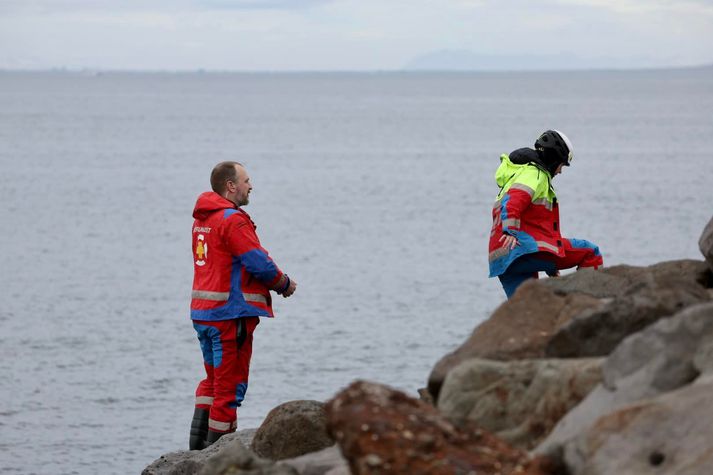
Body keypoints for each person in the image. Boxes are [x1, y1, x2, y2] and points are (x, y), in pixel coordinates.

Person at [188, 161, 297, 450]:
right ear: (231, 186)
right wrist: (283, 283)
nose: (251, 186)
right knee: (229, 388)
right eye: (247, 180)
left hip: (203, 313)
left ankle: (196, 453)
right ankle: (217, 461)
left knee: (211, 384)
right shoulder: (232, 220)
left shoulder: (202, 219)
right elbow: (257, 261)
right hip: (229, 315)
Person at [488, 130, 603, 298]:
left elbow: (530, 221)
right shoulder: (535, 174)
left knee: (527, 308)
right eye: (562, 165)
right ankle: (584, 308)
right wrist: (510, 230)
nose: (560, 171)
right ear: (554, 158)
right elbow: (513, 201)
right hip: (521, 250)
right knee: (590, 252)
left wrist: (549, 265)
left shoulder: (515, 176)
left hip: (502, 259)